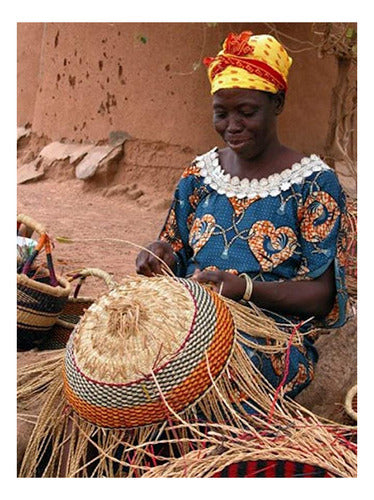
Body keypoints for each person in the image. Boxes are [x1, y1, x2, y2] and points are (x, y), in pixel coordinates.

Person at [136, 30, 348, 400]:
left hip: (268, 336)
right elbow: (176, 252)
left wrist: (245, 290)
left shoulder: (313, 183)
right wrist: (160, 256)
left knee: (207, 370)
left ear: (278, 103)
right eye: (221, 113)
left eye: (247, 112)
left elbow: (321, 294)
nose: (232, 125)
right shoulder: (199, 175)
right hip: (189, 320)